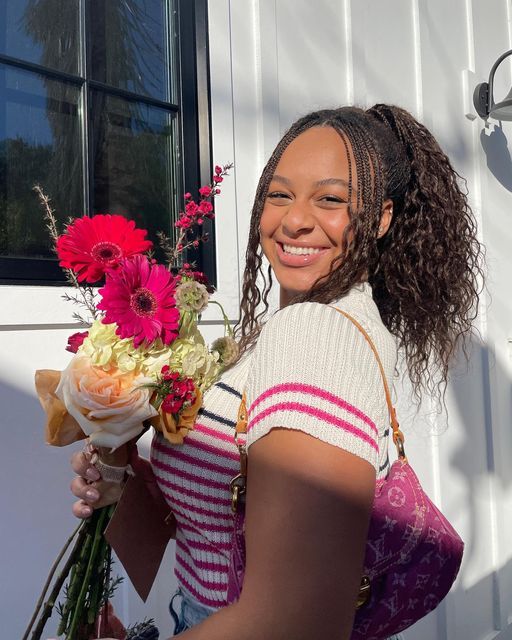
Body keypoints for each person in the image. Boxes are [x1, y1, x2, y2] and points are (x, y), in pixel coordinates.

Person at [70, 104, 483, 639]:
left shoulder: (314, 334)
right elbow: (227, 518)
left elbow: (293, 623)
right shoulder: (282, 329)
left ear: (380, 219)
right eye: (280, 194)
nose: (294, 220)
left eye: (330, 199)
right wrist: (123, 483)